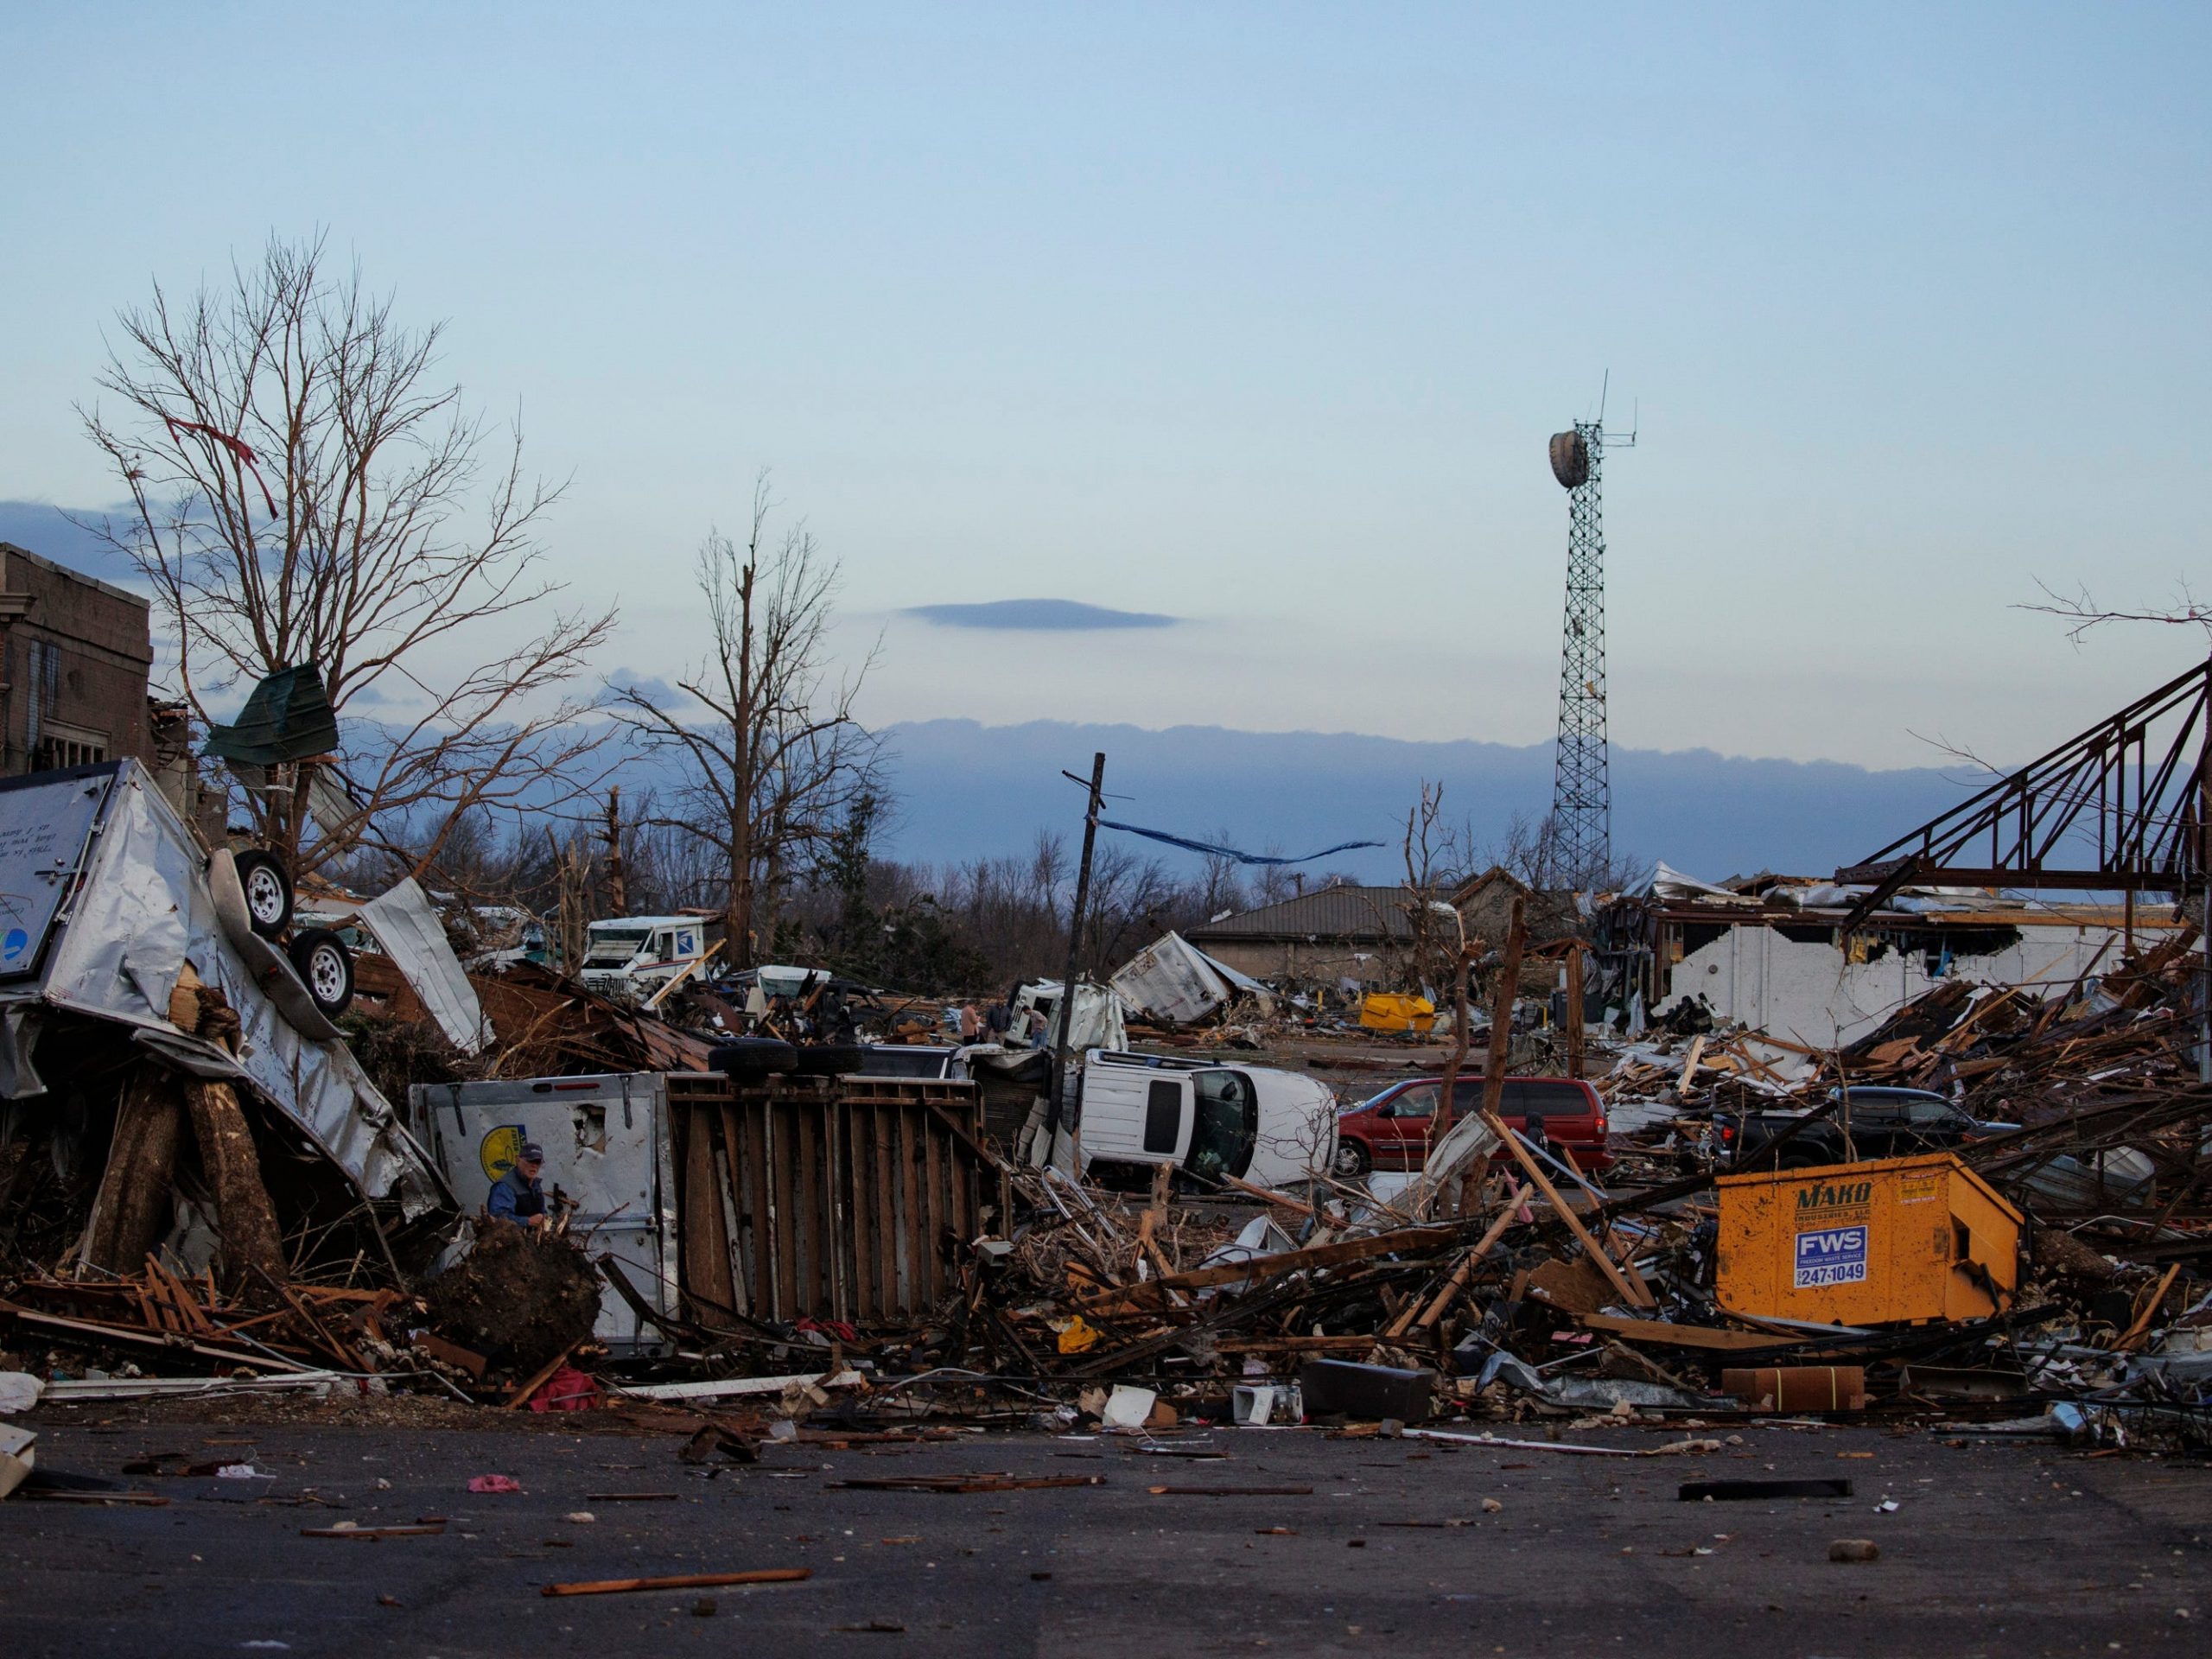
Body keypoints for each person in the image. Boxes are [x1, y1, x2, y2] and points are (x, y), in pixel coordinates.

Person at [488, 1142, 548, 1225]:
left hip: (533, 1235)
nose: (534, 1165)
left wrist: (545, 1218)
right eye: (530, 1161)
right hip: (510, 1237)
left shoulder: (536, 1184)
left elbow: (542, 1212)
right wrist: (527, 1221)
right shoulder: (505, 1187)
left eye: (538, 1162)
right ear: (518, 1160)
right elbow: (497, 1218)